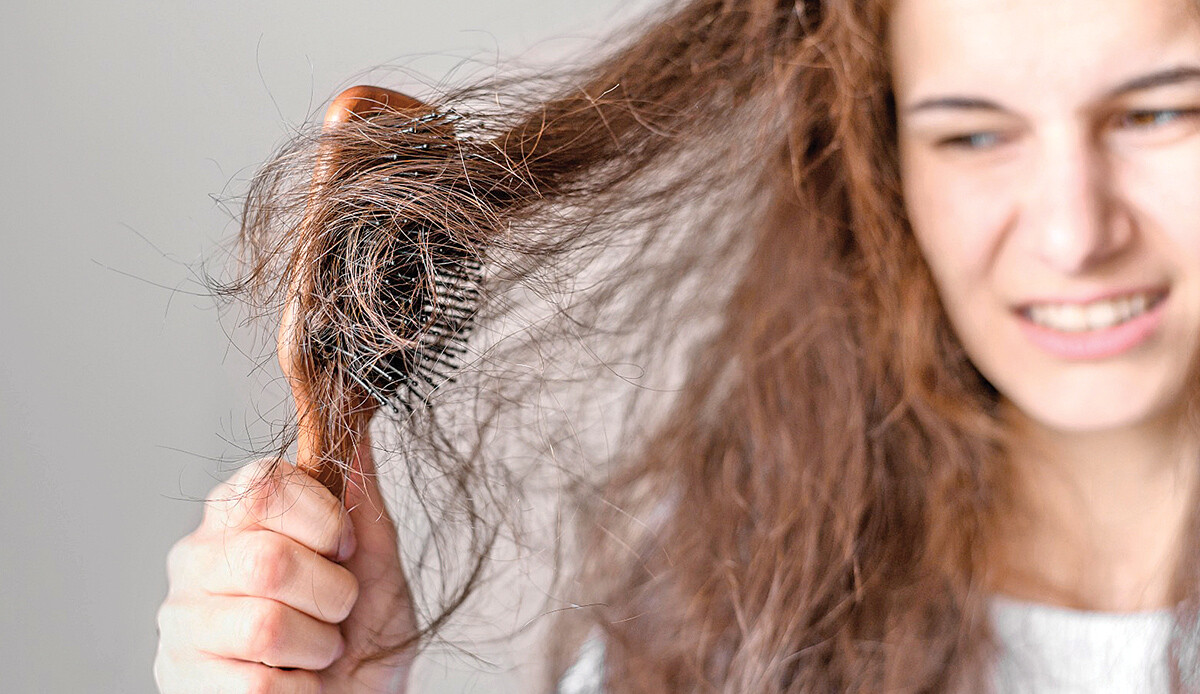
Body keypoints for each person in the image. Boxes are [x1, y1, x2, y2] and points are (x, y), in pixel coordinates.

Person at [154, 0, 1200, 690]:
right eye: (972, 134)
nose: (1075, 235)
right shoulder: (735, 610)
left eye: (1158, 114)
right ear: (886, 170)